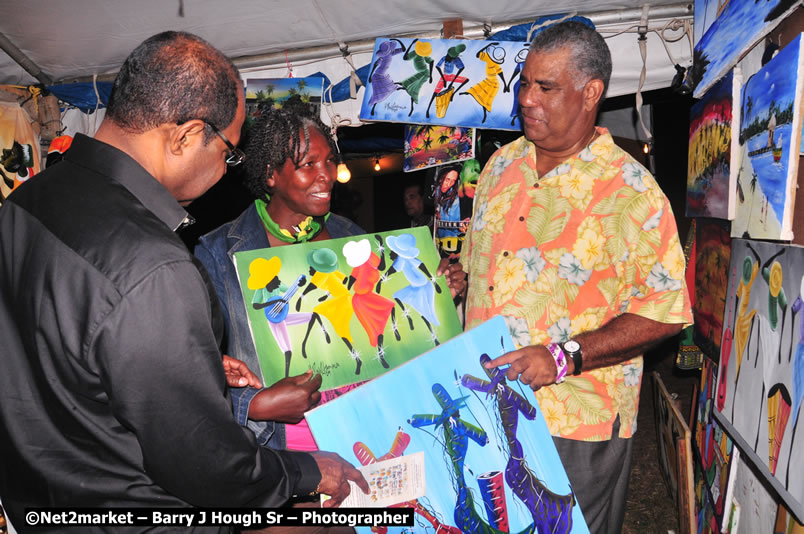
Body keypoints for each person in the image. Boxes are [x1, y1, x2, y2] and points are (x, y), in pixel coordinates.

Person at [0, 31, 368, 532]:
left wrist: (187, 365)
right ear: (186, 135)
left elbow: (61, 346)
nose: (225, 171)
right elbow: (206, 464)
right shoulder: (155, 263)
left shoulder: (26, 201)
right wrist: (307, 471)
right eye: (229, 154)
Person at [460, 21, 693, 533]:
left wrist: (564, 357)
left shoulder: (631, 192)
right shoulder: (501, 165)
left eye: (545, 87)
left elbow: (666, 314)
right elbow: (480, 271)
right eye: (524, 83)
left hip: (573, 421)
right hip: (486, 402)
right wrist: (452, 284)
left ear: (591, 93)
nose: (526, 99)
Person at [194, 103, 467, 530]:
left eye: (330, 161)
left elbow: (384, 336)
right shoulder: (217, 253)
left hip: (357, 443)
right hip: (279, 459)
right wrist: (255, 405)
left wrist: (432, 300)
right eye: (307, 165)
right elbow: (194, 375)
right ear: (270, 174)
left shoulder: (348, 235)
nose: (326, 176)